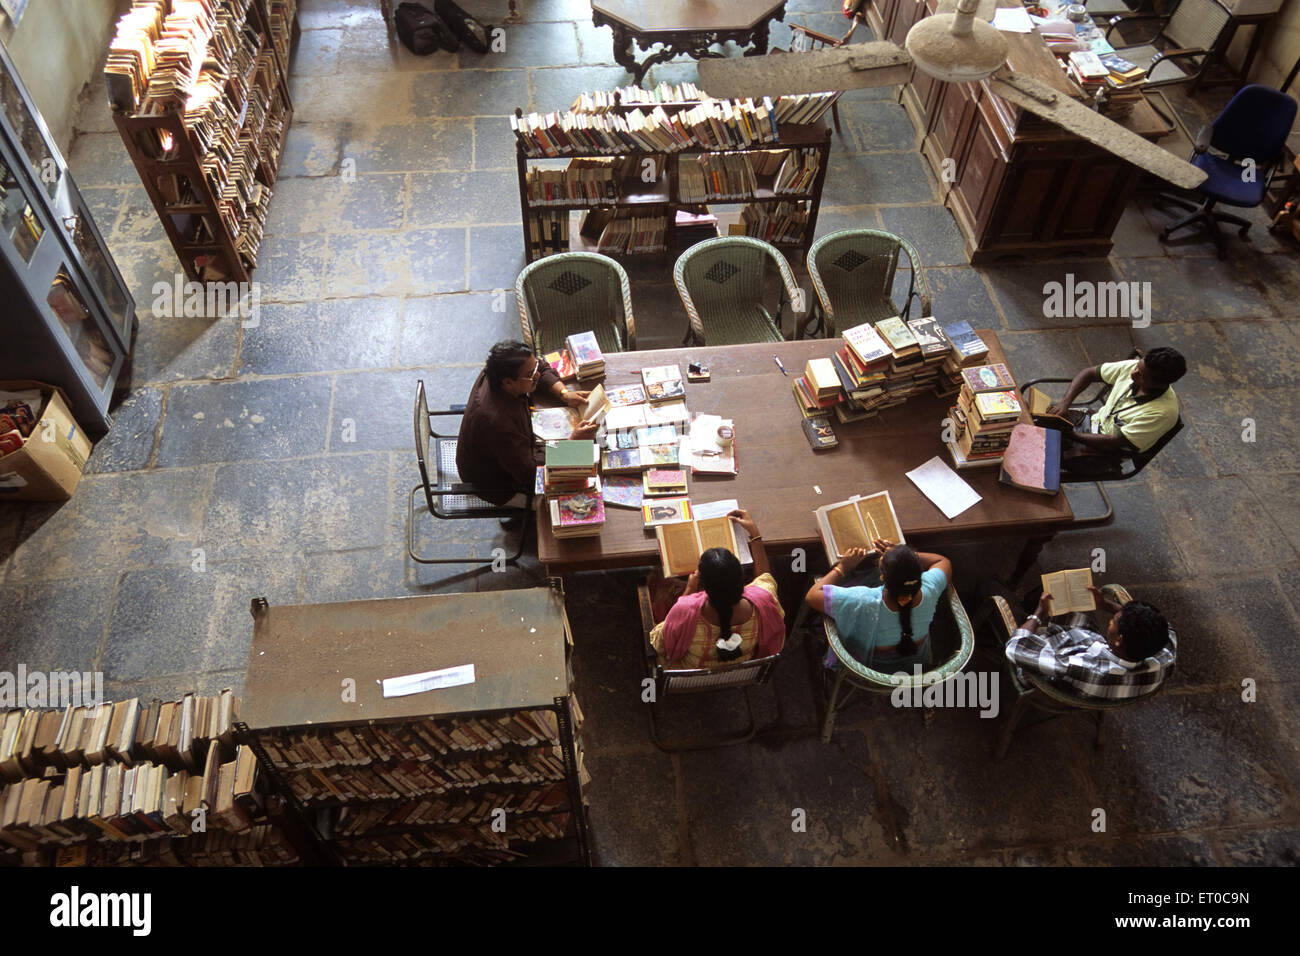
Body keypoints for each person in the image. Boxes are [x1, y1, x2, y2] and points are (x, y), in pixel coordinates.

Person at [456, 341, 598, 506]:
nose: (537, 375)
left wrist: (564, 393)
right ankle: (522, 514)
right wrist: (573, 442)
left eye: (534, 368)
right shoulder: (497, 423)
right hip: (497, 484)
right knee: (564, 499)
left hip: (511, 453)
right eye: (530, 375)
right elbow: (531, 474)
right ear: (508, 382)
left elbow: (542, 367)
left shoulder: (499, 369)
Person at [650, 509, 785, 670]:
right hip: (742, 672)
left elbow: (659, 642)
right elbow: (765, 576)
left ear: (703, 586)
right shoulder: (765, 600)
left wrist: (689, 591)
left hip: (690, 676)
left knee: (658, 580)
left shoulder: (685, 610)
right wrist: (754, 534)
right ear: (743, 580)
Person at [1004, 586, 1176, 700]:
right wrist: (1104, 604)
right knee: (1070, 585)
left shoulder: (1081, 667)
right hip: (1088, 648)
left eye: (1112, 622)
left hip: (1052, 668)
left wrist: (1038, 614)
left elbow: (1015, 647)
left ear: (1119, 639)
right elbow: (1166, 626)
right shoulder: (1165, 659)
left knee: (994, 590)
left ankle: (1019, 604)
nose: (1110, 622)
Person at [804, 539, 951, 670]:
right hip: (914, 663)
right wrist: (904, 557)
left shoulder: (862, 600)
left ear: (882, 577)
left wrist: (842, 567)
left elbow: (812, 596)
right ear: (919, 572)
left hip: (868, 666)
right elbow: (942, 561)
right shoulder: (930, 587)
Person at [1046, 347, 1186, 474]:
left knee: (1044, 456)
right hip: (1091, 421)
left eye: (1142, 375)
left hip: (1105, 451)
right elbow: (1089, 373)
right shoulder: (1136, 368)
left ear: (1159, 383)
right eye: (1138, 367)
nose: (1133, 373)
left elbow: (1115, 442)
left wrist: (1071, 435)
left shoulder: (1162, 413)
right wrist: (1065, 403)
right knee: (1040, 420)